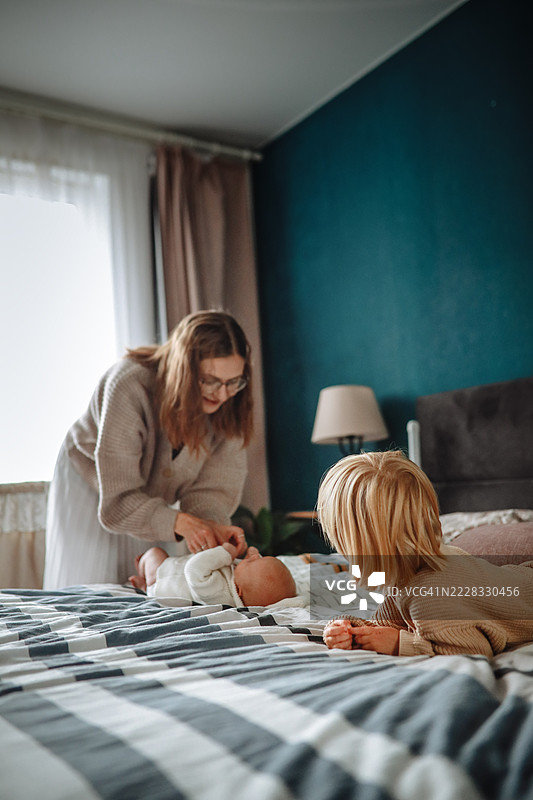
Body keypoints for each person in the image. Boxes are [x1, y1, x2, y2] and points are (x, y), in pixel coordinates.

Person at [43, 310, 254, 588]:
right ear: (183, 370)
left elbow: (210, 492)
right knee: (93, 583)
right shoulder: (129, 385)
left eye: (232, 382)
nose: (222, 393)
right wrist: (181, 522)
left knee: (150, 583)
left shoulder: (230, 405)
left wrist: (214, 531)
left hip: (149, 498)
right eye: (209, 380)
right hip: (92, 482)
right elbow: (118, 503)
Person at [317, 451, 533, 658]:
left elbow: (474, 649)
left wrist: (397, 644)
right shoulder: (409, 574)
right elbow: (386, 623)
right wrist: (347, 628)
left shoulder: (428, 596)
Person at [129, 542, 297, 608]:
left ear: (239, 590)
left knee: (154, 552)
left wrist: (225, 552)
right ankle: (143, 586)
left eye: (251, 562)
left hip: (164, 580)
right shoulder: (241, 587)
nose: (252, 557)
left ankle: (146, 582)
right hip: (173, 573)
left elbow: (193, 570)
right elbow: (247, 571)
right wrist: (251, 557)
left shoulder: (218, 593)